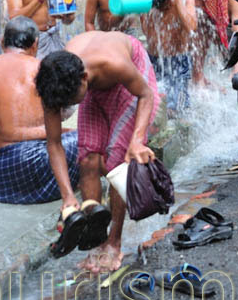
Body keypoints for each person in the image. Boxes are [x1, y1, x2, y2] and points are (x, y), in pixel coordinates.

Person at [35, 32, 159, 273]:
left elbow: (146, 95)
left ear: (84, 79)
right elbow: (54, 143)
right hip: (95, 84)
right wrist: (68, 197)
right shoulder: (52, 82)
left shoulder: (113, 64)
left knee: (116, 162)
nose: (66, 110)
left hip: (130, 85)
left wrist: (136, 140)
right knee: (88, 160)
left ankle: (114, 242)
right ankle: (97, 241)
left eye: (71, 103)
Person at [0, 17, 80, 204]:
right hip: (27, 168)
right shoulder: (39, 68)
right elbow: (60, 118)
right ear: (35, 45)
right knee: (86, 139)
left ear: (2, 42)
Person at [138, 0, 197, 114]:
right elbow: (146, 32)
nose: (165, 8)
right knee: (153, 103)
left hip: (178, 60)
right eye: (160, 7)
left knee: (177, 107)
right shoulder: (151, 4)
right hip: (154, 59)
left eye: (166, 4)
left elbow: (192, 27)